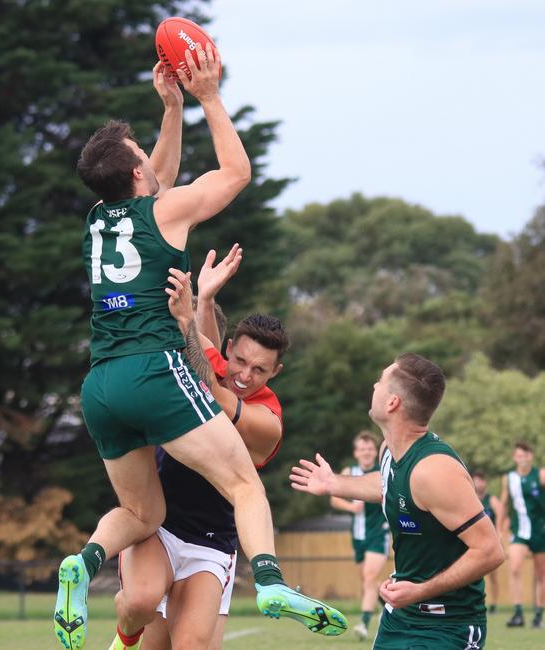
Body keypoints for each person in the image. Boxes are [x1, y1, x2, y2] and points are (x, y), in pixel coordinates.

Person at [54, 47, 346, 650]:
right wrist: (209, 97)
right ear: (136, 175)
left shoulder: (99, 219)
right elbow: (234, 174)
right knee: (245, 487)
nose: (149, 164)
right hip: (152, 370)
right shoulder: (166, 209)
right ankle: (269, 582)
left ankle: (82, 563)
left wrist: (169, 110)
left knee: (141, 515)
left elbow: (151, 178)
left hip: (100, 385)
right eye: (141, 158)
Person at [112, 251, 290, 650]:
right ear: (229, 350)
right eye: (240, 360)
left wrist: (193, 317)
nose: (245, 375)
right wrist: (204, 300)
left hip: (213, 540)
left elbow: (218, 393)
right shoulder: (218, 363)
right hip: (163, 526)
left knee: (194, 645)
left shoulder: (268, 417)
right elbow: (206, 357)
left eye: (259, 370)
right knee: (147, 628)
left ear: (275, 373)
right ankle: (122, 637)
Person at [290, 353, 505, 649]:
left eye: (381, 381)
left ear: (393, 403)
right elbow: (388, 486)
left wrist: (420, 591)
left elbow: (490, 550)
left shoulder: (434, 470)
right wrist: (334, 484)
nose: (374, 385)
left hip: (447, 626)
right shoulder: (390, 451)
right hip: (399, 617)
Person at [330, 431, 390, 641]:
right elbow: (334, 499)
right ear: (356, 453)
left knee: (370, 577)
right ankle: (388, 604)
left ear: (375, 452)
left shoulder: (382, 471)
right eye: (362, 449)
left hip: (379, 533)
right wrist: (350, 507)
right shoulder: (350, 471)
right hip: (358, 536)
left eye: (370, 449)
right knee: (367, 580)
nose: (366, 452)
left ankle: (364, 624)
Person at [500, 441, 545, 629]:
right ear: (514, 458)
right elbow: (504, 505)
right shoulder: (509, 478)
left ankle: (538, 615)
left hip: (539, 531)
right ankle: (518, 614)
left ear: (530, 457)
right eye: (519, 455)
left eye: (525, 455)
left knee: (541, 575)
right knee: (515, 567)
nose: (522, 458)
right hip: (519, 532)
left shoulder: (540, 475)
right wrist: (498, 529)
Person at [471, 470, 501, 615]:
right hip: (473, 543)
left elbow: (502, 517)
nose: (479, 483)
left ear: (485, 482)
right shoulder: (470, 499)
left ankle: (494, 604)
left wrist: (500, 533)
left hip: (490, 542)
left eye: (481, 480)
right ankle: (476, 603)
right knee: (473, 574)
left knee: (493, 576)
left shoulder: (492, 500)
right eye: (476, 480)